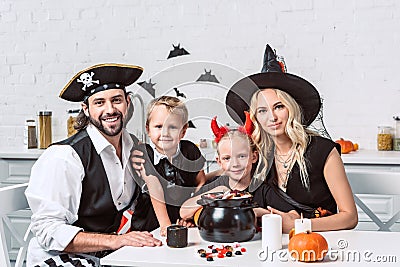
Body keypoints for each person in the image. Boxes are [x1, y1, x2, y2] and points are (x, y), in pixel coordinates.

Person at [25, 64, 162, 267]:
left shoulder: (135, 147)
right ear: (86, 109)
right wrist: (116, 241)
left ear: (128, 102)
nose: (110, 110)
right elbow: (48, 231)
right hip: (63, 258)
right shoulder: (64, 157)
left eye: (116, 100)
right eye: (99, 102)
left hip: (111, 255)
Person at [225, 44, 358, 233]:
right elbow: (229, 175)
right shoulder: (258, 155)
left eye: (279, 107)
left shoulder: (322, 150)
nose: (272, 117)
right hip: (266, 245)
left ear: (291, 108)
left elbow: (350, 217)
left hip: (316, 244)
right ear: (255, 118)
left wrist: (298, 225)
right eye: (262, 111)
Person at [180, 112, 299, 222]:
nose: (235, 164)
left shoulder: (262, 189)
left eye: (242, 156)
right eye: (227, 158)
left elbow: (295, 216)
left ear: (254, 157)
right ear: (219, 161)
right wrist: (220, 191)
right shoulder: (214, 185)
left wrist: (262, 213)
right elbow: (184, 212)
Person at [130, 96, 207, 236]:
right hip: (150, 224)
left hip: (179, 221)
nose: (165, 133)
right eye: (159, 127)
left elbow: (200, 181)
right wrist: (166, 225)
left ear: (183, 131)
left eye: (172, 127)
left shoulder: (189, 150)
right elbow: (154, 188)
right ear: (148, 129)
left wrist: (190, 213)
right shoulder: (144, 153)